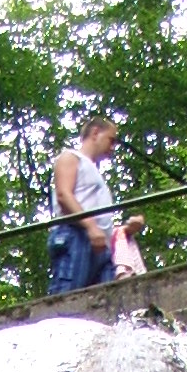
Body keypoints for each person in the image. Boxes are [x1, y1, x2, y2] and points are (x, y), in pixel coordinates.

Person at [48, 114, 121, 294]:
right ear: (95, 133)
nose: (112, 148)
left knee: (103, 307)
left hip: (100, 246)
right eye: (111, 140)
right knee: (66, 303)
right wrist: (91, 227)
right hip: (76, 236)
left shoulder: (94, 172)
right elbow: (64, 195)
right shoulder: (70, 158)